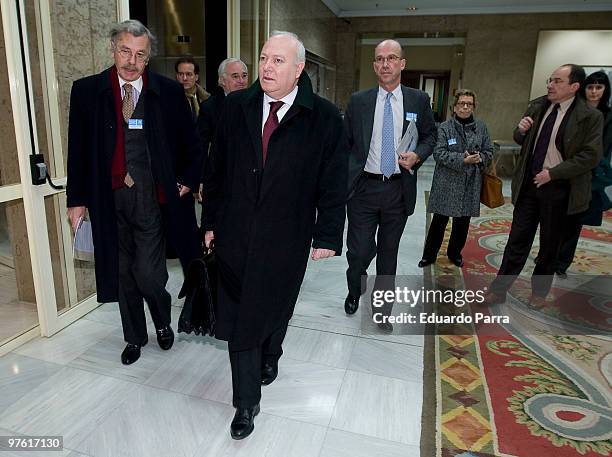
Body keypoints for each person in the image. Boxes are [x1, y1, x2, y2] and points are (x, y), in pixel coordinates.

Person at [202, 31, 347, 440]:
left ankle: (272, 351)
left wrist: (328, 235)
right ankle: (246, 402)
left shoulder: (322, 117)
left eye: (278, 61)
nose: (266, 66)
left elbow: (333, 182)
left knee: (276, 304)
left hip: (288, 235)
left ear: (299, 69)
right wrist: (210, 223)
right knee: (241, 315)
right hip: (235, 232)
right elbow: (215, 172)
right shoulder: (235, 107)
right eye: (264, 58)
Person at [66, 20, 203, 365]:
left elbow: (193, 146)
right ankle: (134, 337)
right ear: (113, 49)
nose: (131, 60)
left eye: (140, 55)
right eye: (125, 51)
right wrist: (76, 200)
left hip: (151, 200)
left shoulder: (169, 92)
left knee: (150, 274)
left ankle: (161, 320)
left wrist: (187, 179)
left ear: (149, 58)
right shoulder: (87, 91)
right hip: (107, 199)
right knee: (122, 273)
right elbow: (78, 151)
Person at [485, 64, 602, 305]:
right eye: (550, 80)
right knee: (517, 239)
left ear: (574, 87)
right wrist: (520, 130)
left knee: (550, 244)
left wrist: (555, 173)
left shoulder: (590, 117)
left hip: (560, 188)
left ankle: (539, 292)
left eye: (557, 81)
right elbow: (521, 139)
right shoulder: (538, 106)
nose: (550, 84)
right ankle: (498, 289)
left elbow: (590, 156)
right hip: (529, 185)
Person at [343, 39, 436, 323]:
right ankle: (354, 287)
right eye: (380, 59)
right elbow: (345, 143)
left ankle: (382, 310)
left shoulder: (418, 100)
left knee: (388, 254)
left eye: (391, 58)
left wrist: (417, 155)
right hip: (363, 188)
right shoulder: (359, 101)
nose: (385, 64)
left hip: (398, 187)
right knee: (358, 251)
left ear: (402, 64)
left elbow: (430, 135)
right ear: (374, 65)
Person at [419, 89, 493, 268]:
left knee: (462, 223)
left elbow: (489, 151)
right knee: (439, 222)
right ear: (455, 107)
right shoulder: (444, 127)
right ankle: (429, 255)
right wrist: (462, 159)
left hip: (470, 183)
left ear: (474, 107)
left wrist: (480, 157)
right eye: (462, 103)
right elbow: (439, 153)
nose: (465, 107)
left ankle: (454, 253)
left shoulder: (481, 127)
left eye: (469, 104)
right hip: (447, 183)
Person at [554, 71, 612, 276]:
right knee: (556, 217)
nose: (594, 91)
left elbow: (602, 150)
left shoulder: (608, 117)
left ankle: (562, 263)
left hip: (590, 175)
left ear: (605, 90)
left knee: (575, 220)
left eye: (599, 87)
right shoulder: (572, 111)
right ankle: (550, 254)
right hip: (567, 170)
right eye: (590, 87)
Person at [196, 58, 248, 202]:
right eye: (235, 76)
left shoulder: (257, 105)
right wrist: (200, 179)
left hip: (249, 179)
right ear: (222, 81)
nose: (241, 81)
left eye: (244, 75)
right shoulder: (210, 107)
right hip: (221, 179)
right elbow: (201, 146)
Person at [175, 56, 210, 120]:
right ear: (177, 76)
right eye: (181, 74)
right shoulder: (169, 98)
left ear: (196, 77)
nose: (184, 78)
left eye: (188, 74)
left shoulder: (207, 98)